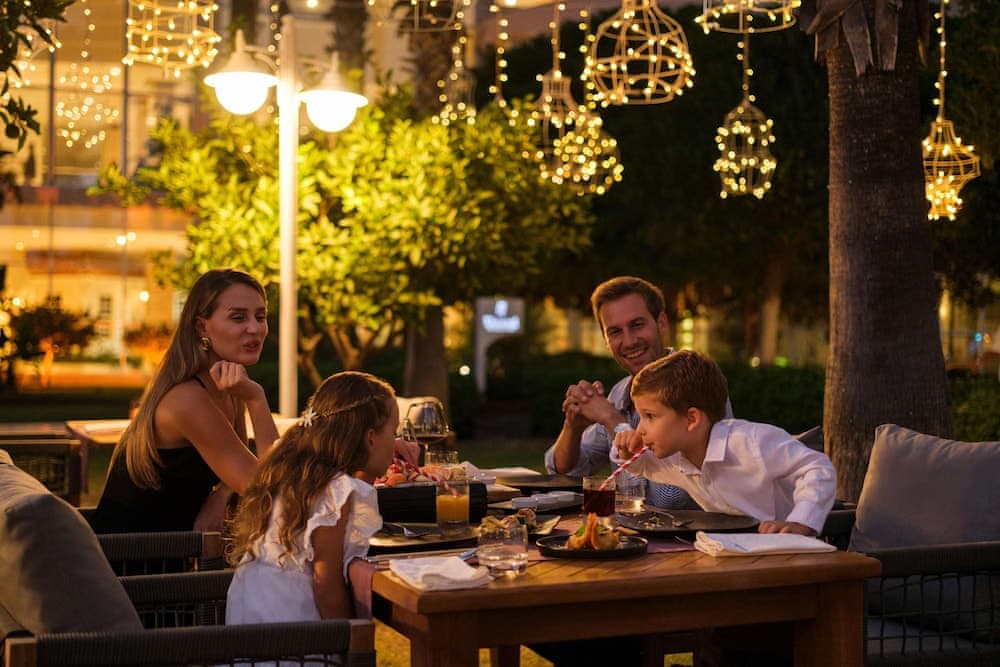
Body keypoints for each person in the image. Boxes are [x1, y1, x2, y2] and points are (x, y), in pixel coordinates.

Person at [90, 268, 279, 533]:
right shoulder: (187, 399)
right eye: (238, 318)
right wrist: (256, 398)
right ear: (202, 326)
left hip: (175, 549)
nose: (255, 328)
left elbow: (245, 469)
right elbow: (269, 486)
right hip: (130, 553)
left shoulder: (226, 386)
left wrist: (221, 494)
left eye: (260, 316)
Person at [544, 276, 732, 509]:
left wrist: (614, 422)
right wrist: (573, 426)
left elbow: (670, 498)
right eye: (615, 331)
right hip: (634, 531)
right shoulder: (620, 393)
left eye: (637, 325)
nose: (629, 341)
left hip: (698, 533)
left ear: (661, 322)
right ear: (605, 340)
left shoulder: (695, 381)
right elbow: (564, 472)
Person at [225, 371, 397, 624]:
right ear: (370, 438)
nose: (396, 443)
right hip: (292, 631)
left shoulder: (290, 467)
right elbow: (326, 585)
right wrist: (351, 635)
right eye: (394, 433)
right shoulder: (334, 492)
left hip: (249, 619)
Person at [614, 349, 836, 535]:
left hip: (788, 552)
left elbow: (817, 467)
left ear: (691, 419)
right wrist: (626, 451)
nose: (640, 429)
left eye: (650, 416)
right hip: (737, 554)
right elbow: (643, 465)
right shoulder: (677, 456)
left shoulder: (750, 442)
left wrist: (801, 522)